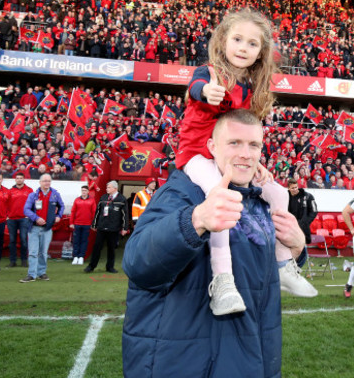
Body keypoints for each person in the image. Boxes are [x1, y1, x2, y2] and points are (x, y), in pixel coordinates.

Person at [122, 109, 308, 377]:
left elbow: (258, 271)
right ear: (212, 147)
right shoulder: (182, 192)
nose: (246, 153)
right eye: (234, 143)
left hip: (252, 359)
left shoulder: (258, 199)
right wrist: (195, 221)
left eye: (253, 144)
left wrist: (297, 248)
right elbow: (138, 263)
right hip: (188, 363)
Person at [175, 8, 316, 315]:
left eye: (252, 44)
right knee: (221, 198)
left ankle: (283, 263)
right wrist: (206, 91)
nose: (243, 47)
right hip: (197, 153)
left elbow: (245, 133)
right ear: (223, 40)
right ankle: (223, 281)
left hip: (229, 155)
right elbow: (196, 89)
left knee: (277, 192)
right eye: (237, 39)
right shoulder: (208, 72)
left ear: (261, 52)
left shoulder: (252, 88)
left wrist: (256, 162)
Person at [20, 173, 65, 282]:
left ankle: (41, 273)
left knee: (43, 253)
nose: (47, 183)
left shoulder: (55, 194)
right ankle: (31, 274)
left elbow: (61, 206)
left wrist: (59, 216)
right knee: (33, 252)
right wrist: (36, 218)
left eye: (49, 181)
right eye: (45, 181)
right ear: (40, 182)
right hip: (34, 228)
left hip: (47, 229)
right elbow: (26, 210)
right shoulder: (33, 195)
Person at [84, 181, 128, 273]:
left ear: (115, 188)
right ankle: (91, 266)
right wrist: (94, 224)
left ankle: (110, 267)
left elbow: (125, 215)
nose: (107, 189)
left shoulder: (122, 199)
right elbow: (97, 212)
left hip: (114, 228)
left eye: (109, 187)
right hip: (102, 227)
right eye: (107, 187)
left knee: (111, 248)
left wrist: (124, 228)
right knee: (97, 247)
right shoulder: (103, 197)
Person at [7, 172, 33, 268]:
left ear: (24, 179)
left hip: (24, 219)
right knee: (12, 240)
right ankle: (13, 261)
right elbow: (6, 204)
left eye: (20, 178)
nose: (19, 180)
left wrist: (30, 215)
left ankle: (24, 260)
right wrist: (7, 215)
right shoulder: (10, 191)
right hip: (12, 219)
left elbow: (33, 203)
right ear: (15, 180)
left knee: (23, 240)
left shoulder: (29, 190)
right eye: (17, 178)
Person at [69, 185, 97, 265]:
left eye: (85, 190)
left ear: (88, 191)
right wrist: (71, 223)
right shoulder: (77, 200)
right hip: (77, 223)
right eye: (82, 190)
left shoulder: (92, 200)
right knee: (76, 241)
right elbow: (73, 211)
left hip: (87, 224)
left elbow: (94, 212)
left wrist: (93, 223)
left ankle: (81, 257)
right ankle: (75, 257)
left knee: (84, 241)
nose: (83, 192)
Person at [287, 178, 318, 244]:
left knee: (303, 248)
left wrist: (305, 222)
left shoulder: (307, 196)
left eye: (296, 187)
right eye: (292, 188)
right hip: (290, 227)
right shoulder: (285, 197)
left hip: (303, 228)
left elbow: (314, 210)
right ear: (288, 188)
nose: (295, 189)